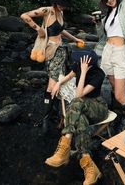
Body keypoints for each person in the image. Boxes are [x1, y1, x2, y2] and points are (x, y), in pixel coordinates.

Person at [20, 0, 84, 132]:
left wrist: (75, 39)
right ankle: (46, 118)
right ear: (56, 1)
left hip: (60, 52)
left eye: (65, 4)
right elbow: (24, 15)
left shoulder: (61, 12)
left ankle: (51, 113)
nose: (62, 6)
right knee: (52, 84)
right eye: (61, 3)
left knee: (53, 82)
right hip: (50, 52)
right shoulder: (47, 11)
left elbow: (60, 31)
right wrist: (37, 29)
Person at [45, 50, 108, 185]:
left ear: (87, 63)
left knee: (76, 101)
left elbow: (79, 94)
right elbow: (68, 76)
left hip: (98, 107)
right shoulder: (77, 66)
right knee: (80, 121)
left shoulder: (99, 74)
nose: (77, 62)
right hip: (82, 109)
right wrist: (58, 83)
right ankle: (89, 165)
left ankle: (65, 146)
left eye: (81, 61)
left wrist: (84, 72)